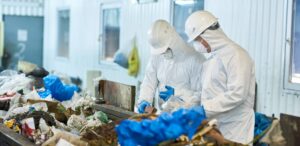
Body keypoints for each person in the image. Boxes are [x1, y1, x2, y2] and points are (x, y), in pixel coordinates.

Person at [184, 11, 255, 144]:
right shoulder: (212, 59)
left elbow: (237, 94)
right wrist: (189, 105)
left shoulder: (237, 55)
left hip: (235, 130)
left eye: (197, 40)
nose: (197, 44)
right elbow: (204, 90)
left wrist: (204, 109)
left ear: (208, 35)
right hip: (215, 126)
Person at [137, 19, 206, 113]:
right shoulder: (158, 54)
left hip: (185, 117)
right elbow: (149, 80)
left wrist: (177, 95)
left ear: (173, 41)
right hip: (162, 115)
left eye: (165, 49)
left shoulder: (195, 59)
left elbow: (201, 96)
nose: (163, 53)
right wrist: (144, 99)